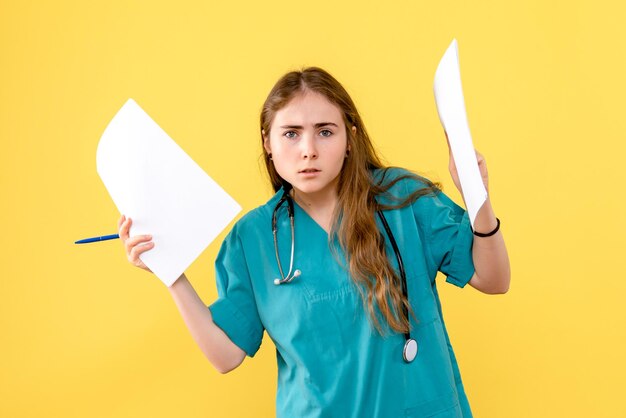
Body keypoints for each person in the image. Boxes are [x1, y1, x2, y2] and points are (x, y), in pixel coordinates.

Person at [118, 67, 510, 417]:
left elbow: (494, 280)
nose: (308, 150)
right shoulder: (253, 238)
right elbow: (225, 355)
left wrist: (477, 196)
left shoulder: (401, 198)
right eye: (291, 134)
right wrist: (170, 271)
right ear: (268, 143)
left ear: (350, 138)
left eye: (325, 131)